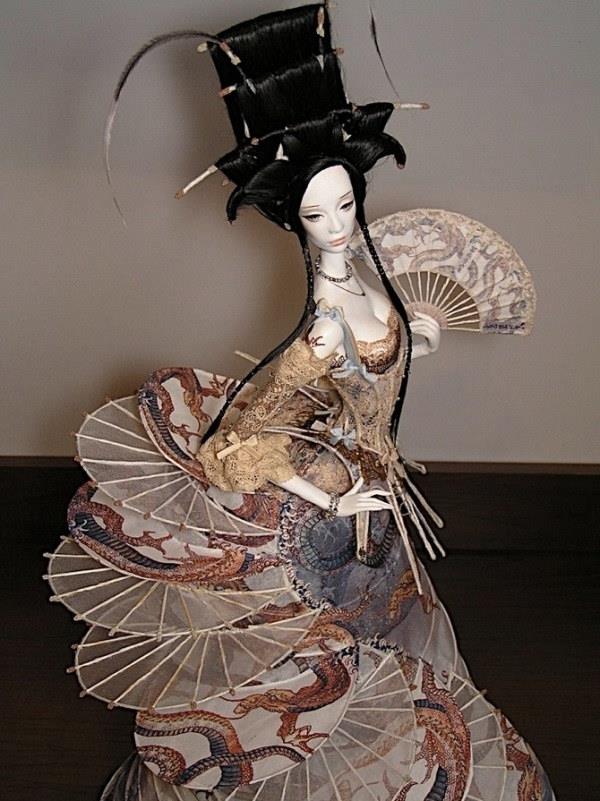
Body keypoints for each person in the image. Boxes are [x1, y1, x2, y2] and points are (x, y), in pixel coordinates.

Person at [47, 4, 556, 799]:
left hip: (379, 493)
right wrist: (331, 495)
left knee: (393, 633)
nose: (337, 225)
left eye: (345, 204)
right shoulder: (318, 329)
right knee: (334, 655)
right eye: (317, 214)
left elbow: (379, 366)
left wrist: (415, 335)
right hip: (341, 505)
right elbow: (234, 445)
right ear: (293, 219)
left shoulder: (371, 281)